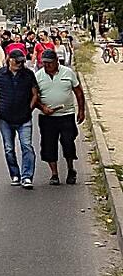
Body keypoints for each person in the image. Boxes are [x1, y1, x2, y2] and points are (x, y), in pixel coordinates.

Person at [0, 50, 40, 187]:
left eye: (22, 61)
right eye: (16, 61)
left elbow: (35, 94)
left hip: (24, 117)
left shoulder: (28, 74)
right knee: (9, 148)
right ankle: (15, 174)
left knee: (27, 146)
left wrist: (29, 108)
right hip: (5, 118)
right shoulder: (0, 74)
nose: (19, 63)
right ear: (9, 60)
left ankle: (27, 176)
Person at [36, 49, 86, 186]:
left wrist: (81, 110)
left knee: (68, 142)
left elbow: (79, 92)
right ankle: (54, 174)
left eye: (50, 63)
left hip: (66, 115)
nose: (47, 66)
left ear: (57, 61)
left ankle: (71, 169)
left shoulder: (68, 73)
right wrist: (42, 107)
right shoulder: (38, 76)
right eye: (44, 63)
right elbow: (34, 97)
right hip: (47, 118)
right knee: (48, 145)